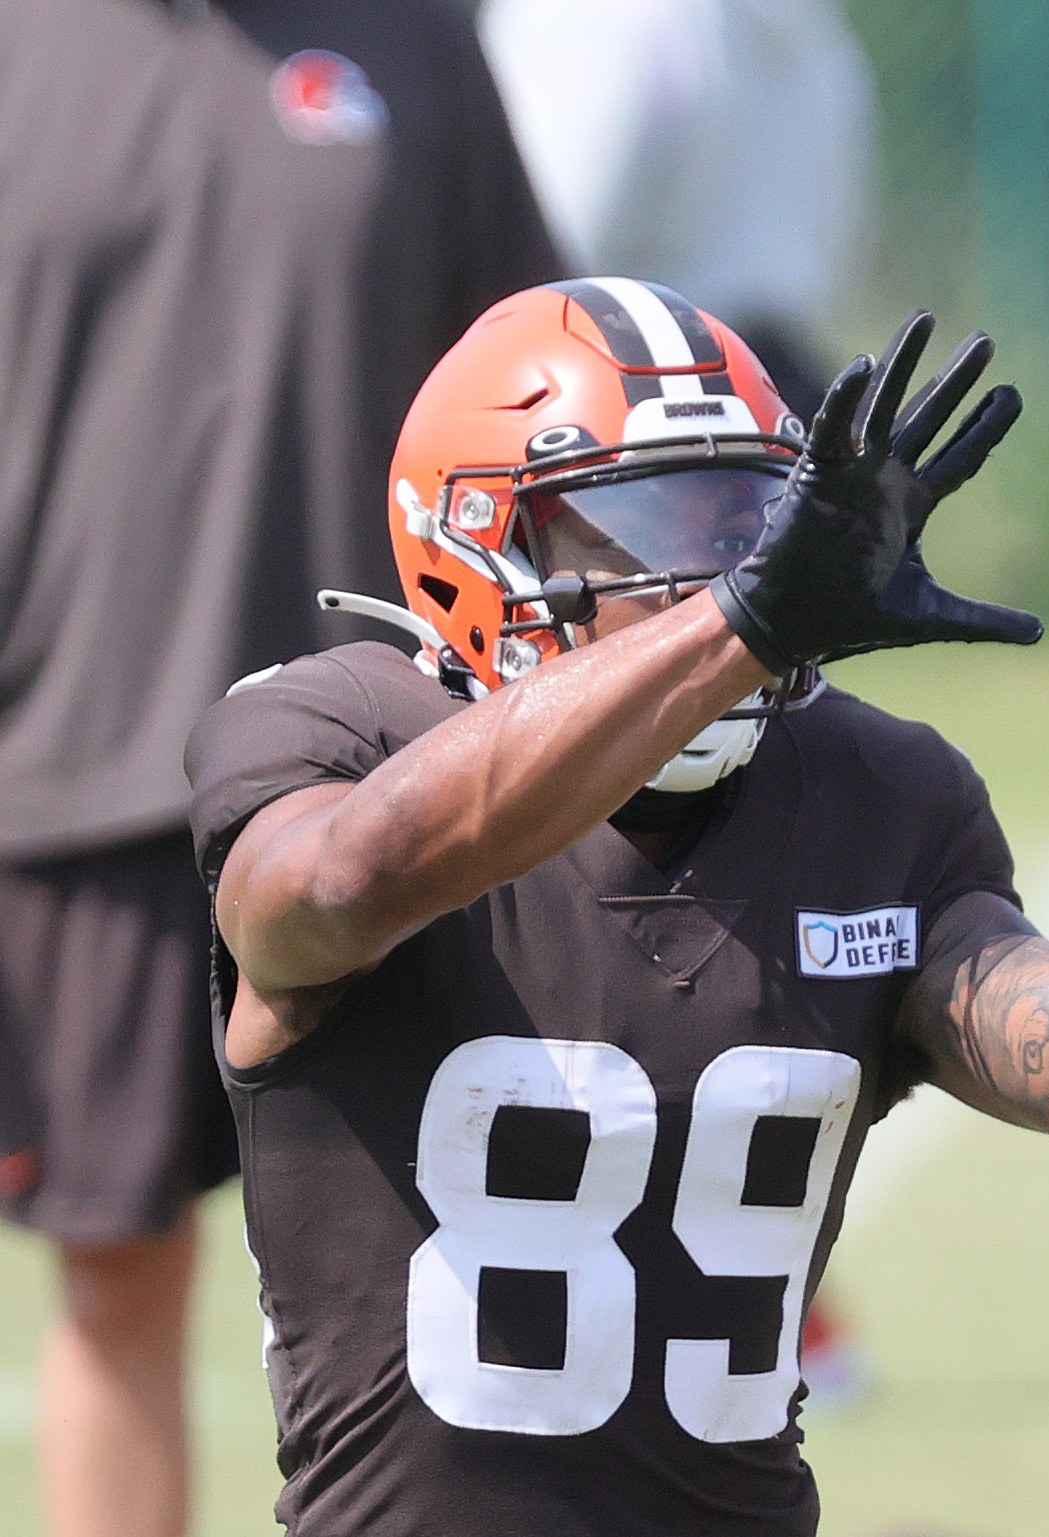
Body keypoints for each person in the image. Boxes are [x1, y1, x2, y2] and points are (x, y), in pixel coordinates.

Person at [184, 278, 1049, 1534]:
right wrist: (741, 625)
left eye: (745, 518)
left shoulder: (876, 795)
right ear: (474, 541)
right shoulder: (335, 734)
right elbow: (327, 894)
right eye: (647, 524)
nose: (715, 568)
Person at [0, 3, 559, 1534]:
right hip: (69, 772)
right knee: (115, 1271)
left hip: (389, 784)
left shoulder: (417, 39)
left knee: (443, 1290)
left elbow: (534, 379)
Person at [477, 0, 877, 417]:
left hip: (617, 392)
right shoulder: (814, 31)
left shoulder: (605, 17)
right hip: (770, 386)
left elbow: (554, 240)